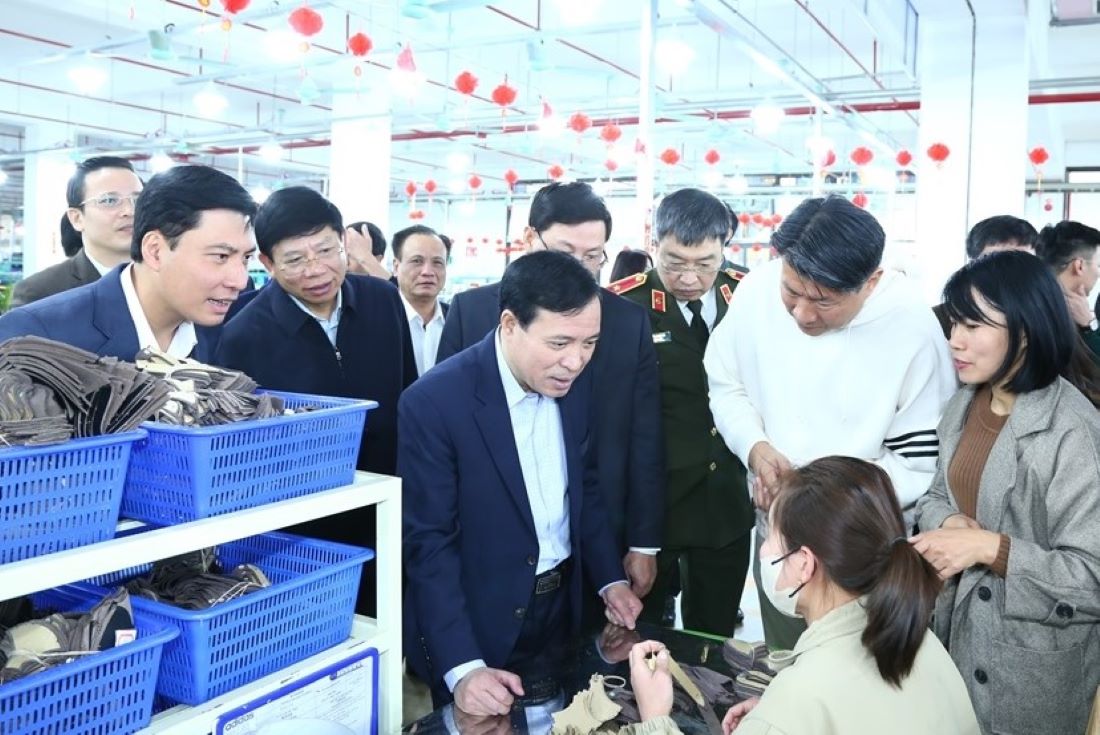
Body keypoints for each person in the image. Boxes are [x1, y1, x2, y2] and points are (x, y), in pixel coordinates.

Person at [704, 195, 955, 651]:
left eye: (823, 301)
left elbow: (920, 462)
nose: (802, 314)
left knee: (857, 674)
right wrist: (755, 446)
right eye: (793, 292)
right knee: (786, 659)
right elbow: (726, 384)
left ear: (871, 281)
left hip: (857, 551)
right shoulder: (757, 291)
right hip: (778, 536)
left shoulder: (911, 327)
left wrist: (813, 494)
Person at [400, 250, 643, 714]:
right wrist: (462, 666)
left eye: (589, 343)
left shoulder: (569, 382)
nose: (575, 361)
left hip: (562, 608)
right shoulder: (435, 404)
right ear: (510, 324)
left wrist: (609, 580)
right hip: (478, 620)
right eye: (559, 343)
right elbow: (429, 544)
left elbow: (583, 490)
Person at [628, 457, 981, 735]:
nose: (764, 549)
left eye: (771, 535)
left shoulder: (801, 697)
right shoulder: (925, 642)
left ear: (804, 564)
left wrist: (656, 717)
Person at [437, 182, 664, 610]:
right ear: (529, 239)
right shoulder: (472, 312)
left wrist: (644, 542)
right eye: (566, 253)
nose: (580, 268)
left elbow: (645, 435)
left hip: (599, 534)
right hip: (492, 544)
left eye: (593, 256)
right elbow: (445, 432)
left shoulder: (628, 321)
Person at [913, 250, 1100, 735]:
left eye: (974, 326)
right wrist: (949, 523)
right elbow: (936, 496)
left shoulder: (1072, 432)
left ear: (1026, 329)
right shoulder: (962, 406)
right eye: (954, 323)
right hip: (957, 643)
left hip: (1031, 670)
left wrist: (989, 547)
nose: (955, 340)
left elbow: (1091, 578)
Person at [213, 187, 416, 616]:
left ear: (343, 242)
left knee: (390, 628)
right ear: (266, 263)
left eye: (326, 250)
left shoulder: (383, 301)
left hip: (389, 509)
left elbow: (409, 397)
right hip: (302, 529)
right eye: (294, 259)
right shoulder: (243, 335)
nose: (316, 269)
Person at [614, 188, 753, 638]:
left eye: (705, 263)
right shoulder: (622, 306)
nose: (690, 278)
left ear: (724, 249)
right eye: (674, 263)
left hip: (726, 502)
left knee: (714, 638)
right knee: (646, 635)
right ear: (653, 245)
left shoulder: (750, 297)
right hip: (656, 508)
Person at [0, 164, 256, 361]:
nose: (239, 280)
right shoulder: (39, 334)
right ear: (155, 251)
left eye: (245, 258)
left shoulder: (225, 332)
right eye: (220, 256)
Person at [10, 156, 143, 309]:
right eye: (109, 201)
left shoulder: (167, 280)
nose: (130, 211)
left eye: (138, 200)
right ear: (77, 218)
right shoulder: (40, 293)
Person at [932, 215, 1038, 337]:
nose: (1010, 274)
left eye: (1021, 264)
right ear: (972, 265)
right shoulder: (937, 322)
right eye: (997, 265)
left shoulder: (1050, 318)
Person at [1034, 220, 1100, 358]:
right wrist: (1089, 327)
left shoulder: (1031, 301)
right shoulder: (1067, 319)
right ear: (1079, 265)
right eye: (1098, 265)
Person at [392, 224, 449, 376]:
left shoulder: (457, 320)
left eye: (437, 262)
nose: (427, 272)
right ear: (396, 267)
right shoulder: (379, 319)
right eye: (417, 261)